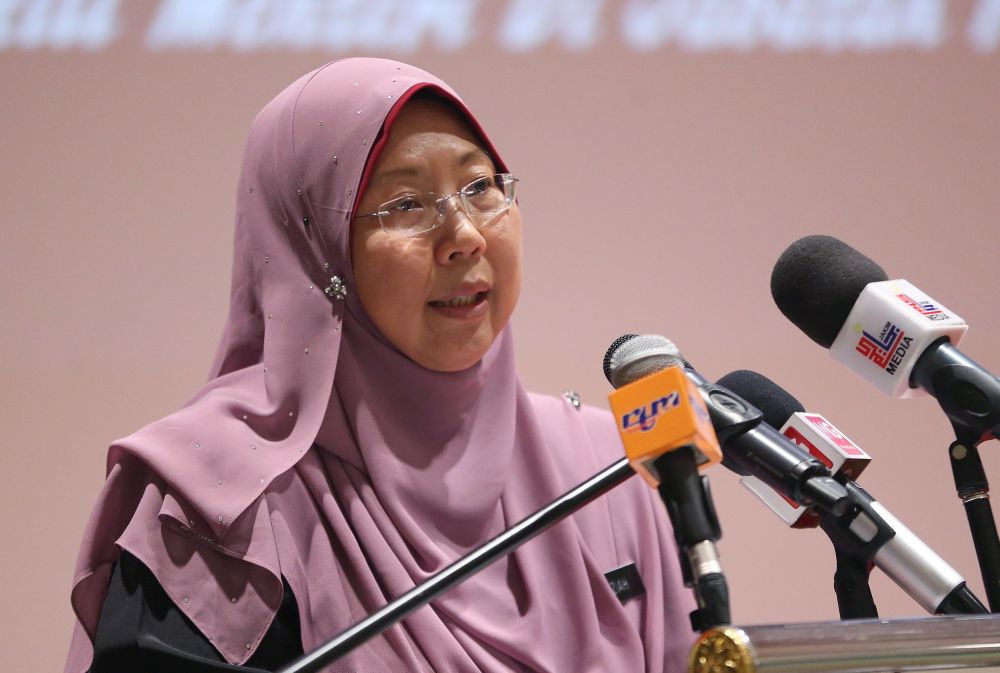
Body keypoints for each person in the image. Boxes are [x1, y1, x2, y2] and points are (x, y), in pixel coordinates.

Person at [64, 57, 696, 673]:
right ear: (315, 254)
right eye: (406, 204)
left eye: (480, 187)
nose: (466, 236)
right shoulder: (219, 502)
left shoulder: (606, 467)